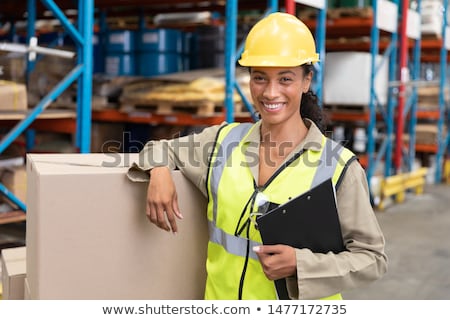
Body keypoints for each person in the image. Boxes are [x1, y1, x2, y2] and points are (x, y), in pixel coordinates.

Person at [127, 12, 387, 300]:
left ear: (306, 81)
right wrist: (159, 170)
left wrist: (303, 265)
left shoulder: (339, 167)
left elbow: (372, 258)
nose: (270, 92)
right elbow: (160, 148)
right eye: (260, 78)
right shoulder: (222, 142)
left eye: (285, 79)